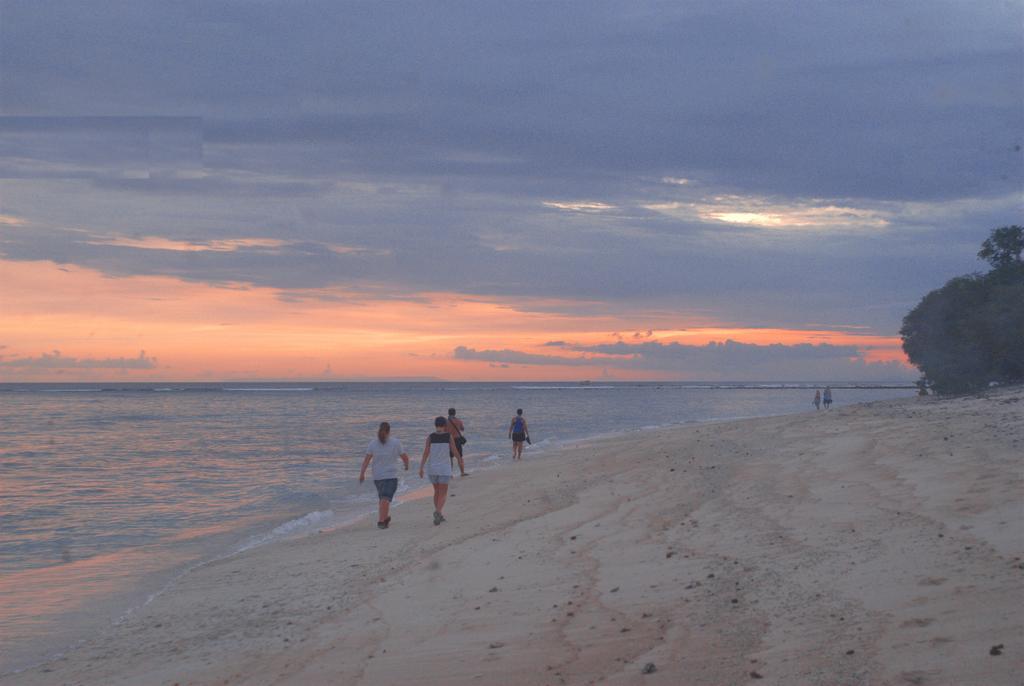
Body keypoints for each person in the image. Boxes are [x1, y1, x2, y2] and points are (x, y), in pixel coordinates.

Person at [358, 422, 410, 529]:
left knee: (383, 498)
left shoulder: (373, 443)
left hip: (377, 476)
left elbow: (366, 460)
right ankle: (381, 521)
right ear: (389, 431)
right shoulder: (396, 442)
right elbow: (404, 457)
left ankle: (385, 518)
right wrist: (406, 465)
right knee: (385, 499)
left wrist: (362, 473)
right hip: (391, 475)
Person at [420, 416, 460, 525]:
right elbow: (454, 451)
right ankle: (437, 512)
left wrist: (421, 467)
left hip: (432, 469)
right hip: (444, 469)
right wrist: (460, 460)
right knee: (443, 494)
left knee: (437, 492)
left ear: (435, 425)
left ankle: (439, 514)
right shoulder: (448, 436)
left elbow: (425, 453)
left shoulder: (430, 437)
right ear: (445, 426)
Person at [446, 407, 468, 476]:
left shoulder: (445, 422)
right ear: (455, 413)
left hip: (449, 440)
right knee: (460, 457)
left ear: (448, 413)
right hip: (457, 440)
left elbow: (443, 431)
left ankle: (450, 474)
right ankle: (462, 472)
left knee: (450, 458)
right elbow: (462, 429)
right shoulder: (458, 421)